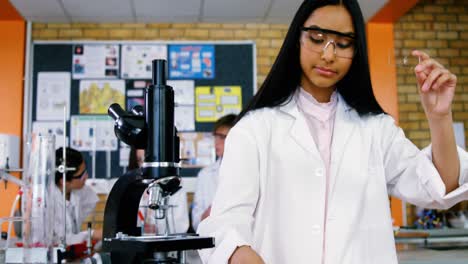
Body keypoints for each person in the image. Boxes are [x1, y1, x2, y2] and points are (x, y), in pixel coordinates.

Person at [197, 1, 468, 263]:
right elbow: (226, 219)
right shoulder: (255, 127)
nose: (328, 54)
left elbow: (438, 187)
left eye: (342, 44)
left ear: (356, 49)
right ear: (297, 40)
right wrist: (238, 250)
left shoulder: (375, 128)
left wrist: (439, 116)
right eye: (317, 38)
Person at [191, 114, 238, 231]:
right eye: (216, 137)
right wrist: (207, 215)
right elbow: (196, 222)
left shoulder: (248, 172)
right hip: (212, 239)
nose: (216, 142)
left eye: (222, 137)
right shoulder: (205, 175)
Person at [128, 148, 189, 235]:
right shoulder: (134, 186)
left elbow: (181, 226)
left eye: (147, 161)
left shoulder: (175, 185)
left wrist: (157, 227)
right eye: (139, 161)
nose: (143, 167)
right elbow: (128, 224)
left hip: (168, 245)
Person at [52, 147, 102, 245]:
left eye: (85, 171)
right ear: (64, 181)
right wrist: (92, 234)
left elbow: (73, 232)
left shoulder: (79, 191)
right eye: (81, 175)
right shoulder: (46, 202)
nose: (86, 177)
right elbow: (58, 240)